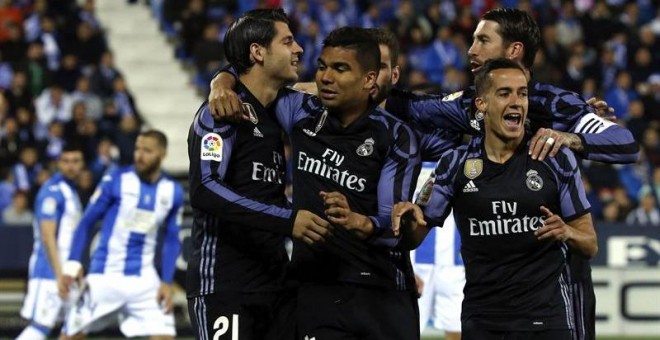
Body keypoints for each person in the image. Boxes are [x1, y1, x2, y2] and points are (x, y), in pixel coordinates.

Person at [393, 58, 598, 340]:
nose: (517, 102)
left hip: (545, 320)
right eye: (504, 93)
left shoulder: (554, 158)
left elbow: (590, 244)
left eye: (522, 93)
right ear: (481, 104)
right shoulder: (455, 164)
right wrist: (407, 219)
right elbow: (413, 236)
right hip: (483, 321)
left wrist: (567, 232)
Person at [186, 8, 316, 340]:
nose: (298, 49)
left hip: (275, 283)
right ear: (257, 52)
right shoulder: (220, 112)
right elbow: (205, 189)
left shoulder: (276, 108)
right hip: (226, 286)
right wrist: (287, 220)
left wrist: (223, 76)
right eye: (287, 41)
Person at [61, 130, 183, 340]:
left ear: (162, 154)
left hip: (145, 280)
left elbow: (172, 239)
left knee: (165, 335)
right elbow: (86, 222)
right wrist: (72, 263)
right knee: (71, 335)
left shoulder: (172, 191)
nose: (139, 155)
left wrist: (166, 281)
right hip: (105, 276)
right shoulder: (116, 179)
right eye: (137, 149)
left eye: (147, 150)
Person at [16, 144, 85, 340]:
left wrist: (74, 267)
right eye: (66, 161)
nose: (71, 166)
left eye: (75, 161)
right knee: (41, 327)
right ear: (58, 163)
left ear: (83, 164)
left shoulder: (71, 193)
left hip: (67, 272)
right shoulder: (52, 191)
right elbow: (48, 236)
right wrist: (59, 274)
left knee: (76, 328)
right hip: (49, 272)